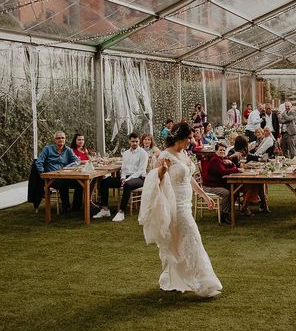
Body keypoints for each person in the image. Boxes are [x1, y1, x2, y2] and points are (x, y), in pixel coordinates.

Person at [138, 121, 222, 297]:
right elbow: (155, 179)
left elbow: (189, 178)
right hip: (175, 205)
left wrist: (204, 195)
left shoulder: (183, 153)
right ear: (180, 138)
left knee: (177, 243)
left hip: (186, 204)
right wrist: (162, 170)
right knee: (193, 237)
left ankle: (176, 279)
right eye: (189, 138)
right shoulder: (164, 155)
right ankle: (204, 283)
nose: (191, 141)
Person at [93, 132, 149, 222]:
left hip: (139, 178)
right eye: (132, 141)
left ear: (139, 142)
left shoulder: (143, 153)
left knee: (127, 184)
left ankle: (121, 212)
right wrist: (122, 178)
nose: (134, 143)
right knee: (104, 182)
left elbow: (141, 171)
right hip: (126, 177)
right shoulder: (126, 153)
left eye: (136, 141)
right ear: (129, 142)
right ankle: (105, 210)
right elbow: (123, 168)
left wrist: (126, 179)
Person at [35, 131, 82, 212]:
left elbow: (77, 161)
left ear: (65, 139)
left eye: (62, 138)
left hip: (65, 176)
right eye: (58, 138)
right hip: (52, 178)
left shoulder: (68, 150)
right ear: (54, 140)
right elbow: (39, 162)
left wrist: (67, 167)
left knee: (81, 183)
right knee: (63, 184)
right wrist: (43, 174)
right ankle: (66, 207)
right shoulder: (47, 149)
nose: (61, 139)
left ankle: (76, 208)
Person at [202, 142, 243, 222]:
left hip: (216, 184)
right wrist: (236, 169)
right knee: (226, 193)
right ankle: (224, 215)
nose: (222, 152)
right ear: (216, 151)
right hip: (209, 187)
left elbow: (229, 168)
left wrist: (231, 163)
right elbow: (223, 172)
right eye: (220, 150)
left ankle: (229, 211)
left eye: (224, 150)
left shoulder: (221, 159)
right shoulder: (215, 160)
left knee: (234, 189)